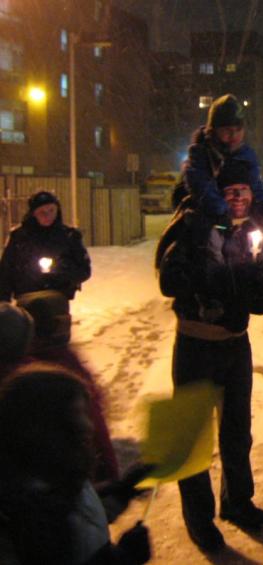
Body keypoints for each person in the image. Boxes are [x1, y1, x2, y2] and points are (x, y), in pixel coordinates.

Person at [158, 159, 263, 552]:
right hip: (195, 344)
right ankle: (199, 519)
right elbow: (169, 280)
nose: (237, 198)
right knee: (193, 435)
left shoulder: (261, 230)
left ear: (253, 193)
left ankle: (238, 502)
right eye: (230, 191)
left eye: (244, 191)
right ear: (219, 194)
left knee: (237, 432)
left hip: (235, 344)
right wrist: (207, 285)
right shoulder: (195, 226)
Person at [0, 363, 152, 565]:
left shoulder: (58, 475)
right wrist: (120, 560)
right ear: (45, 429)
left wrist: (121, 491)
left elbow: (79, 517)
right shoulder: (20, 518)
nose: (89, 427)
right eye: (76, 415)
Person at [16, 289, 119, 482]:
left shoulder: (18, 365)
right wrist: (108, 474)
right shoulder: (63, 373)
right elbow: (93, 424)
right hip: (66, 484)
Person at [184, 93, 263, 229]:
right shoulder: (201, 153)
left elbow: (255, 184)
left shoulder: (246, 154)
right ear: (213, 130)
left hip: (236, 217)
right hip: (208, 218)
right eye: (227, 130)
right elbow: (201, 186)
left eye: (238, 130)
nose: (233, 135)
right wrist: (220, 210)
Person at [0, 191, 91, 303]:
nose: (47, 215)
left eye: (51, 210)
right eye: (42, 212)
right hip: (26, 298)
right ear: (33, 214)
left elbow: (84, 269)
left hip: (57, 298)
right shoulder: (20, 237)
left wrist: (60, 271)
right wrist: (3, 301)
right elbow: (6, 270)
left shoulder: (69, 236)